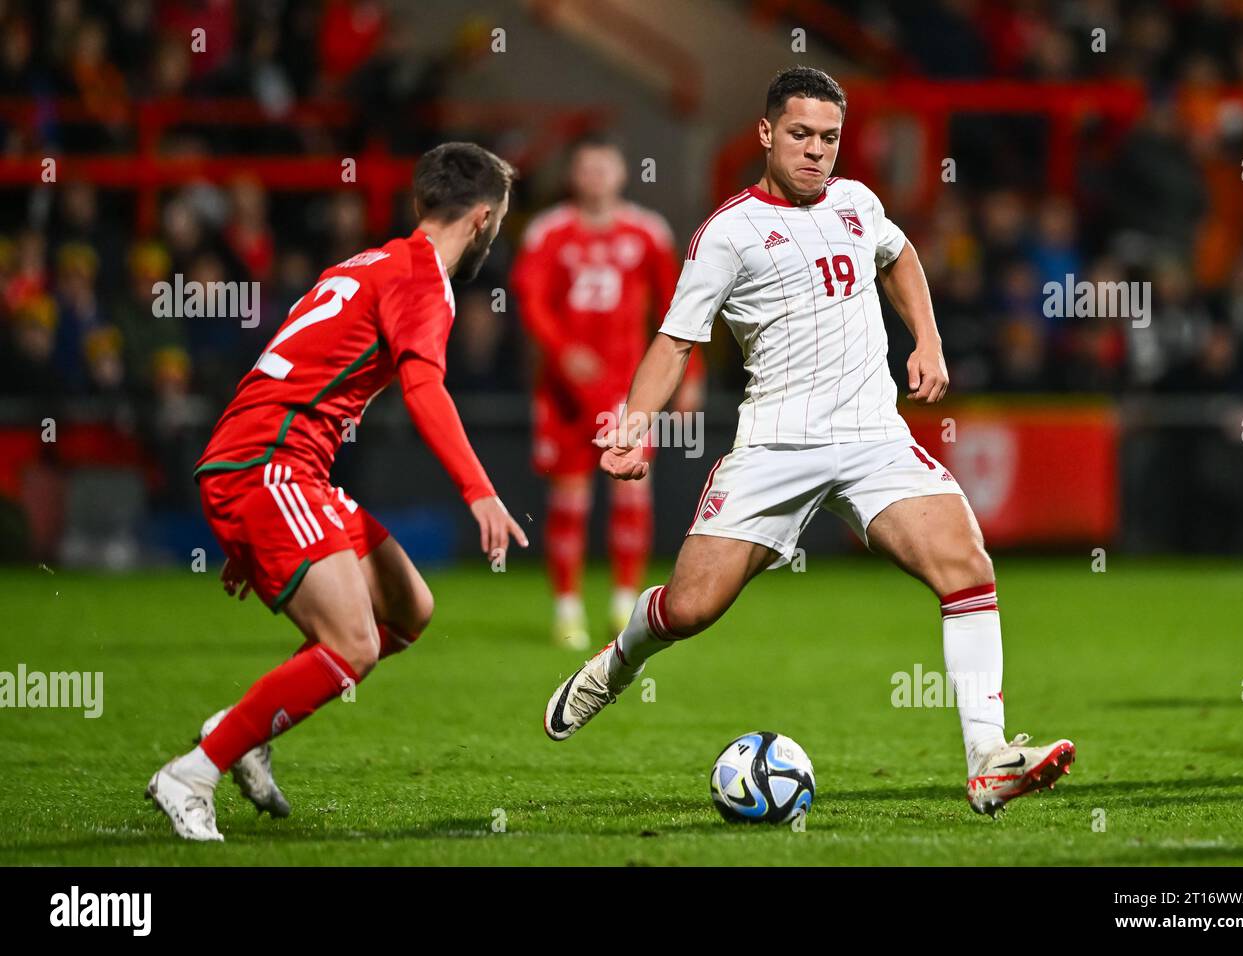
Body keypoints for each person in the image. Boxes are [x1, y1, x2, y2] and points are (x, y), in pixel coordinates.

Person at [542, 68, 1075, 817]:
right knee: (692, 609)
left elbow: (900, 256)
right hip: (776, 447)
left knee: (966, 566)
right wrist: (633, 427)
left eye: (828, 137)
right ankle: (619, 660)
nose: (816, 151)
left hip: (871, 438)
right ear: (765, 134)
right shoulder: (727, 234)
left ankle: (987, 756)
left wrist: (927, 339)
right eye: (800, 135)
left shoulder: (858, 203)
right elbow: (674, 341)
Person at [147, 142, 528, 841]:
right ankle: (193, 771)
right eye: (498, 222)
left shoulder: (365, 262)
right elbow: (422, 387)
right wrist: (479, 490)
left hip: (277, 467)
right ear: (482, 220)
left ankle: (245, 727)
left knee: (409, 609)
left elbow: (282, 368)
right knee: (352, 644)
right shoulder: (424, 281)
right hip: (270, 466)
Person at [511, 132, 702, 649]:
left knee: (632, 489)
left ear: (620, 174)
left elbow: (677, 307)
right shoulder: (549, 232)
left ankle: (623, 604)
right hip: (562, 390)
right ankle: (567, 609)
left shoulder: (646, 232)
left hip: (627, 387)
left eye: (604, 168)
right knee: (569, 498)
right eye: (586, 168)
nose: (595, 177)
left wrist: (690, 373)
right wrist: (560, 350)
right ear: (573, 175)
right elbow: (530, 301)